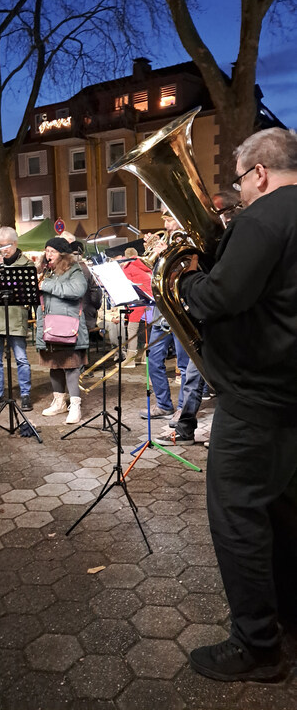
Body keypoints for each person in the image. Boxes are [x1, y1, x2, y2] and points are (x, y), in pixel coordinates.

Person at [178, 126, 297, 682]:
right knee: (284, 513)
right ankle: (287, 623)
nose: (239, 193)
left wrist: (185, 283)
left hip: (256, 397)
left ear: (260, 173)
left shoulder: (264, 217)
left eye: (241, 182)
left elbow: (222, 296)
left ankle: (258, 646)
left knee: (238, 516)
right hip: (290, 393)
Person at [140, 209, 202, 423]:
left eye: (169, 220)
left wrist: (169, 254)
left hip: (180, 308)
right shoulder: (166, 240)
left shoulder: (189, 242)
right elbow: (155, 271)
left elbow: (191, 269)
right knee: (153, 359)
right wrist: (153, 251)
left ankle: (183, 409)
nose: (166, 226)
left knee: (184, 363)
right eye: (164, 221)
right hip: (161, 309)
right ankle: (164, 405)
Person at [0, 227, 33, 412]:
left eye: (7, 246)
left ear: (15, 243)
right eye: (0, 246)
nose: (3, 250)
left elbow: (28, 293)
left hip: (15, 317)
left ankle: (25, 394)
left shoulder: (26, 265)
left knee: (21, 359)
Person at [37, 237, 88, 423]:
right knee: (54, 365)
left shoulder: (74, 270)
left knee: (71, 366)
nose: (48, 254)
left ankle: (75, 406)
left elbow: (77, 290)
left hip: (68, 327)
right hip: (49, 326)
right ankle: (59, 402)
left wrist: (45, 285)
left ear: (62, 253)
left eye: (52, 251)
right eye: (47, 250)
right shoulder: (46, 272)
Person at [122, 247, 153, 368]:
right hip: (149, 302)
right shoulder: (146, 266)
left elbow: (125, 287)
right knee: (147, 331)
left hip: (137, 303)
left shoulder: (128, 267)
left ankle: (130, 359)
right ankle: (146, 357)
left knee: (132, 331)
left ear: (125, 256)